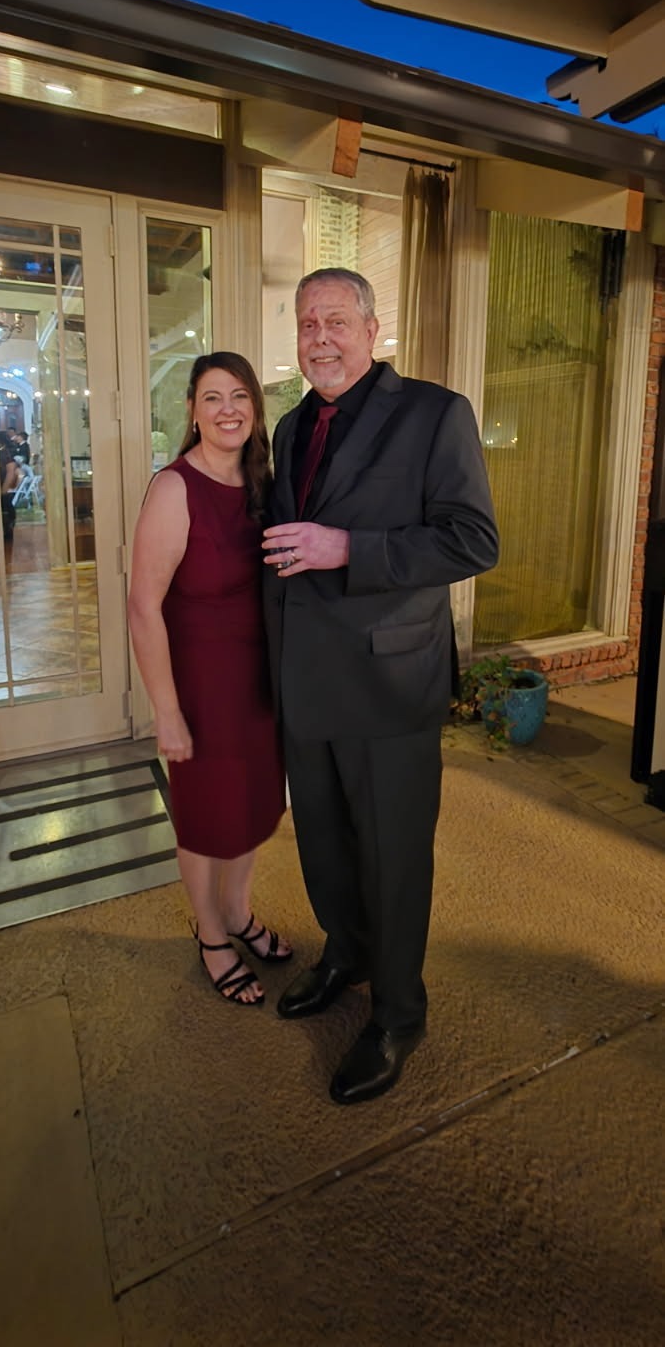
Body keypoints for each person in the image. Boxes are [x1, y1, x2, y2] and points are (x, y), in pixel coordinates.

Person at [262, 268, 498, 1104]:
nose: (319, 337)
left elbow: (471, 541)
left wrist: (348, 549)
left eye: (335, 320)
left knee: (392, 859)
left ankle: (398, 1013)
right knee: (324, 844)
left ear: (371, 330)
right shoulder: (290, 425)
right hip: (306, 678)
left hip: (389, 682)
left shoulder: (435, 413)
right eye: (306, 323)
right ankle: (346, 954)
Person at [128, 351, 291, 1008]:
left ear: (255, 408)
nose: (228, 409)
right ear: (192, 412)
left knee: (251, 806)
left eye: (239, 396)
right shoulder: (175, 488)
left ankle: (239, 910)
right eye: (212, 397)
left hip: (258, 680)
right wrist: (167, 711)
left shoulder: (261, 482)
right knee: (205, 817)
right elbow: (143, 606)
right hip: (199, 684)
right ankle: (212, 934)